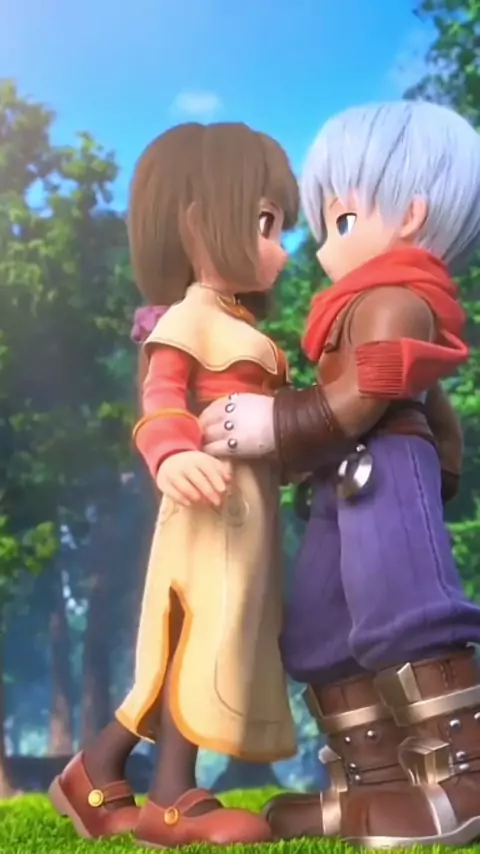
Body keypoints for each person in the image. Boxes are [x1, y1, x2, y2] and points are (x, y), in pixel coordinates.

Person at [199, 100, 480, 847]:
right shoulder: (355, 305)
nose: (324, 249)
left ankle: (465, 773)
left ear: (411, 215)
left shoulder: (396, 300)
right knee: (321, 628)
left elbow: (371, 391)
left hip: (383, 465)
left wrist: (278, 422)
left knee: (407, 610)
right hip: (338, 478)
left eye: (344, 221)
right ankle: (371, 781)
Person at [48, 121, 300, 848]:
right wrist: (170, 456)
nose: (281, 249)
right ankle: (170, 803)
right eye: (263, 224)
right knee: (197, 635)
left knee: (205, 638)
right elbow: (161, 396)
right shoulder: (191, 317)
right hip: (204, 507)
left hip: (244, 512)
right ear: (196, 224)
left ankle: (95, 772)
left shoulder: (237, 322)